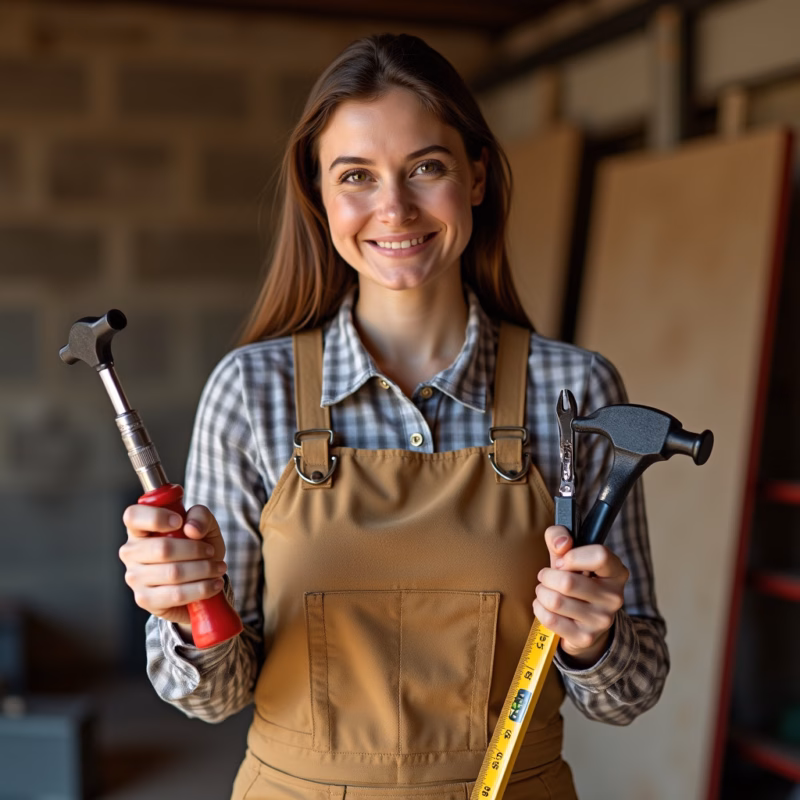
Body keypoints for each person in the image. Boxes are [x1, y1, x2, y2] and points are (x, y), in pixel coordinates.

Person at [119, 33, 668, 800]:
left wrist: (594, 640)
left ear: (477, 175)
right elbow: (213, 698)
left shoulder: (574, 390)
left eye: (426, 167)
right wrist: (186, 612)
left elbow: (630, 695)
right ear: (318, 194)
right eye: (356, 176)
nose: (394, 208)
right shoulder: (251, 392)